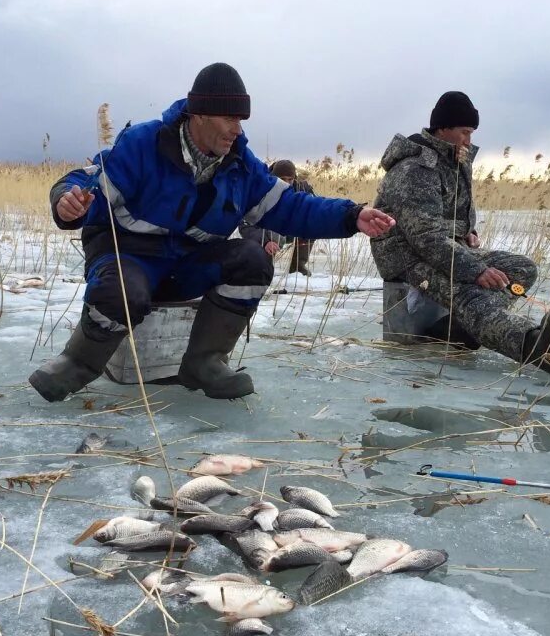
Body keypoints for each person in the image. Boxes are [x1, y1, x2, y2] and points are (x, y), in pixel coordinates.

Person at [29, 63, 395, 402]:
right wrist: (67, 202)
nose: (238, 129)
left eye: (242, 119)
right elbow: (85, 180)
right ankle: (78, 363)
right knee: (123, 288)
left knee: (252, 260)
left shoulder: (240, 165)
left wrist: (351, 215)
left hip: (187, 264)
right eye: (229, 117)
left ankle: (204, 363)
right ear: (199, 114)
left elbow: (290, 207)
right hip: (129, 259)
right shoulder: (143, 144)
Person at [370, 91, 550, 375]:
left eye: (472, 132)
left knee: (521, 269)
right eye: (464, 132)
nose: (469, 139)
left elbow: (454, 213)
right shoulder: (415, 169)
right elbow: (425, 237)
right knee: (470, 294)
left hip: (446, 246)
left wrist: (468, 232)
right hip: (407, 257)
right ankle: (531, 344)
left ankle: (457, 327)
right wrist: (476, 269)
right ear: (443, 129)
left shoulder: (455, 161)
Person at [239, 160, 316, 276]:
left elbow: (315, 209)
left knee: (312, 225)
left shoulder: (302, 189)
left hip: (290, 229)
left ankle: (298, 267)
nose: (286, 183)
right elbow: (245, 226)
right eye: (282, 179)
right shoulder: (260, 189)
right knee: (272, 238)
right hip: (267, 234)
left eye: (290, 179)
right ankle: (262, 269)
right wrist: (265, 241)